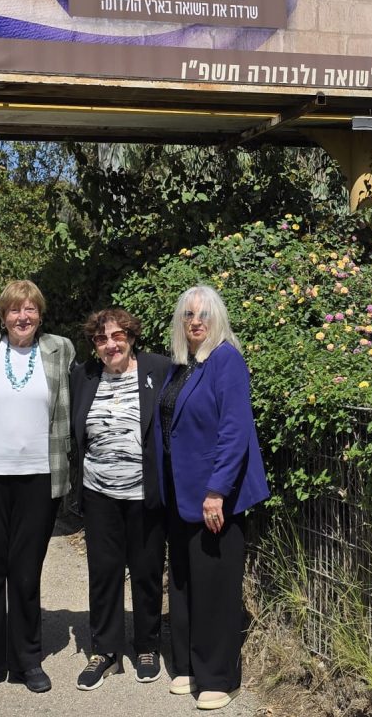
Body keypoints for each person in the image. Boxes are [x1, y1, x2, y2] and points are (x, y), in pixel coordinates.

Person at [0, 281, 75, 700]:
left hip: (40, 478)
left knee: (26, 572)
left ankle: (28, 658)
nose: (22, 317)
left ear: (40, 314)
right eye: (14, 310)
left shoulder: (60, 350)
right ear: (2, 316)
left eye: (30, 310)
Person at [156, 285, 269, 712]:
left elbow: (234, 431)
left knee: (216, 587)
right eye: (188, 314)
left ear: (216, 318)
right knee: (184, 582)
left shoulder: (226, 360)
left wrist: (216, 491)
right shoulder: (181, 365)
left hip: (214, 497)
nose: (195, 321)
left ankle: (219, 675)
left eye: (203, 314)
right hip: (179, 495)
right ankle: (187, 665)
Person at [70, 307, 172, 691]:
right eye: (101, 338)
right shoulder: (84, 376)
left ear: (131, 337)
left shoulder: (157, 369)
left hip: (144, 492)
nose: (110, 344)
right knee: (104, 573)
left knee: (146, 572)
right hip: (99, 492)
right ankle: (106, 651)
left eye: (117, 336)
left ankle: (147, 646)